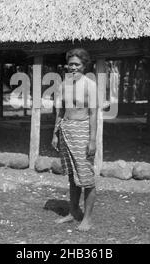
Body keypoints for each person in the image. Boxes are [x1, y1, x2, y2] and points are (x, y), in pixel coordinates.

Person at [51, 48, 97, 232]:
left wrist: (92, 140)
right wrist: (55, 133)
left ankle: (87, 219)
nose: (73, 67)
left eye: (77, 64)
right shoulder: (64, 84)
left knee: (86, 178)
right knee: (72, 176)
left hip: (82, 132)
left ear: (84, 66)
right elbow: (60, 111)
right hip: (66, 131)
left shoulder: (90, 85)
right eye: (70, 64)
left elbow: (93, 114)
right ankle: (73, 212)